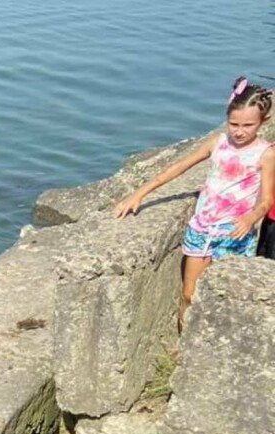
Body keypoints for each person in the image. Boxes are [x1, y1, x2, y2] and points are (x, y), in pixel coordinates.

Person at [114, 77, 273, 328]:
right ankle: (184, 345)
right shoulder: (217, 143)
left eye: (247, 125)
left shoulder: (266, 153)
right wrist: (139, 194)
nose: (239, 131)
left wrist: (251, 218)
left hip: (235, 233)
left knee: (226, 300)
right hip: (202, 228)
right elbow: (177, 168)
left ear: (264, 122)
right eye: (233, 124)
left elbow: (266, 201)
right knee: (189, 294)